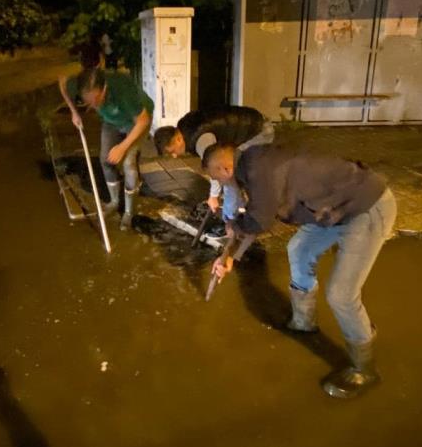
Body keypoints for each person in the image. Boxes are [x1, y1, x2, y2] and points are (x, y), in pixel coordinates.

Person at [205, 142, 397, 399]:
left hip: (366, 208)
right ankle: (304, 321)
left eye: (216, 178)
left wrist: (235, 229)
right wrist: (233, 257)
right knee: (300, 249)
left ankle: (364, 369)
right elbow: (259, 217)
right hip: (334, 210)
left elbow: (258, 221)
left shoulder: (259, 170)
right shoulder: (251, 165)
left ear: (226, 168)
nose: (220, 184)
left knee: (341, 295)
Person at [58, 67, 154, 229]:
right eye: (88, 101)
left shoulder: (123, 89)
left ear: (105, 89)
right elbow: (62, 83)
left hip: (136, 121)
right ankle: (114, 201)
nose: (93, 105)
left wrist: (122, 147)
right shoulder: (80, 85)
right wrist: (74, 112)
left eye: (96, 100)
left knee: (128, 164)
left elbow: (142, 121)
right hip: (111, 121)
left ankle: (129, 212)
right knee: (105, 160)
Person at [153, 105, 272, 219]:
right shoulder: (184, 127)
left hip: (259, 131)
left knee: (228, 175)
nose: (174, 156)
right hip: (253, 122)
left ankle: (231, 219)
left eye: (172, 151)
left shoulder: (201, 141)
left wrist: (213, 196)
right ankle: (240, 208)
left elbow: (218, 169)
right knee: (230, 173)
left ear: (178, 139)